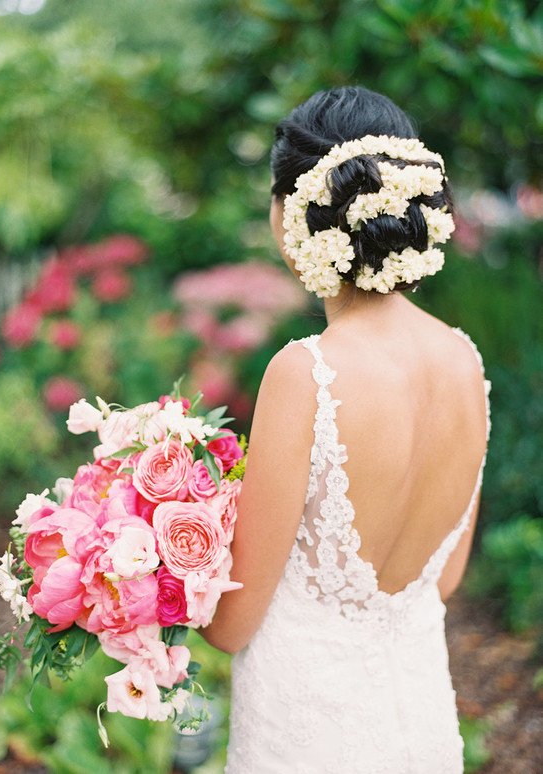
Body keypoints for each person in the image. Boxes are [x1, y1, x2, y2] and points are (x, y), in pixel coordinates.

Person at [201, 85, 490, 774]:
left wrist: (151, 566)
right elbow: (440, 582)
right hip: (416, 725)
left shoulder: (306, 373)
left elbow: (232, 625)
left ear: (290, 213)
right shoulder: (464, 360)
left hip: (304, 734)